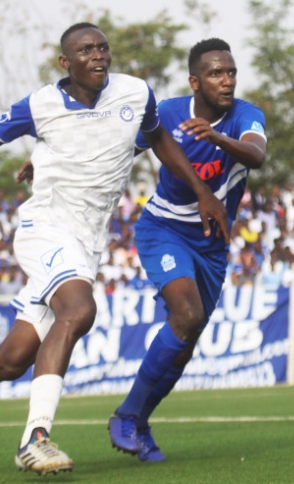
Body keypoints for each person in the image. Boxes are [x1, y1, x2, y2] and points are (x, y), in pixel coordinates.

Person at [0, 23, 229, 476]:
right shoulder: (40, 105)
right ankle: (34, 437)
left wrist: (202, 192)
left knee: (11, 360)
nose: (98, 56)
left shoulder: (136, 93)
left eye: (103, 48)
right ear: (66, 62)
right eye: (86, 50)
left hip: (87, 243)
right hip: (46, 229)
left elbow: (159, 140)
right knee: (79, 311)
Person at [107, 38, 267, 461]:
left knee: (187, 337)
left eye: (231, 72)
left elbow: (256, 155)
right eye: (216, 73)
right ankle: (124, 415)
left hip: (212, 245)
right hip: (164, 229)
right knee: (187, 314)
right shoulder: (169, 113)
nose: (226, 80)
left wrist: (217, 138)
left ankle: (140, 422)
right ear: (195, 81)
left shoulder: (246, 116)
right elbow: (122, 147)